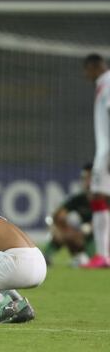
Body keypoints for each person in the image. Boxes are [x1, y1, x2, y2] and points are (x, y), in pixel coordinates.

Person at [82, 53, 110, 268]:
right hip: (105, 150)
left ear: (95, 67)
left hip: (107, 151)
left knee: (98, 198)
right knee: (101, 199)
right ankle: (103, 254)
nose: (86, 75)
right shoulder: (103, 83)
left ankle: (102, 255)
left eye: (87, 70)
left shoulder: (107, 82)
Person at [44, 163, 96, 266]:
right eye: (84, 178)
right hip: (85, 237)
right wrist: (60, 228)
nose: (87, 182)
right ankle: (45, 258)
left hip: (100, 238)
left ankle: (92, 258)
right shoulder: (79, 199)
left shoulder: (106, 198)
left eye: (90, 177)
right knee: (59, 232)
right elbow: (58, 215)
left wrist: (90, 227)